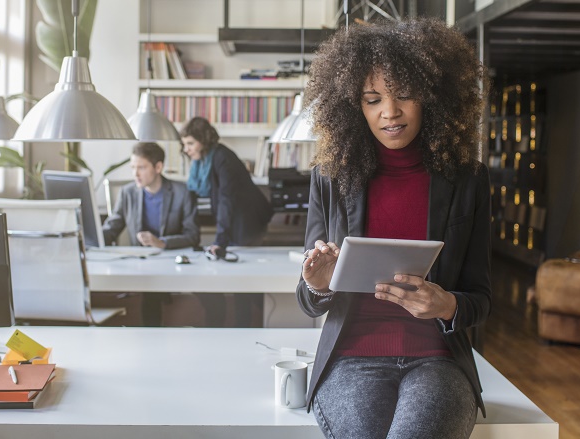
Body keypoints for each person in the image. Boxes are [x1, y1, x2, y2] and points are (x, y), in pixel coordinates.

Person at [297, 18, 491, 439]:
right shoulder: (329, 177)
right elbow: (309, 301)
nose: (390, 112)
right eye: (372, 99)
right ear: (353, 105)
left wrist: (446, 306)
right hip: (351, 360)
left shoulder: (468, 179)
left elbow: (482, 298)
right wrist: (318, 284)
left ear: (433, 97)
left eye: (405, 94)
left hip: (437, 361)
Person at [180, 117, 274, 327]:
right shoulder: (206, 159)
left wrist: (220, 241)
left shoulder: (222, 158)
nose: (186, 149)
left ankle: (249, 327)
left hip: (247, 222)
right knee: (242, 281)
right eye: (184, 144)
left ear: (203, 140)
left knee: (243, 282)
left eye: (190, 143)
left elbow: (226, 200)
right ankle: (248, 324)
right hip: (237, 220)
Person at [102, 142, 199, 326]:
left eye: (141, 167)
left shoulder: (182, 193)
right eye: (133, 168)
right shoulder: (127, 192)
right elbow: (112, 226)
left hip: (170, 261)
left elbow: (193, 235)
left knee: (151, 295)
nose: (135, 174)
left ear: (158, 167)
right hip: (140, 264)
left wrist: (162, 242)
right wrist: (92, 239)